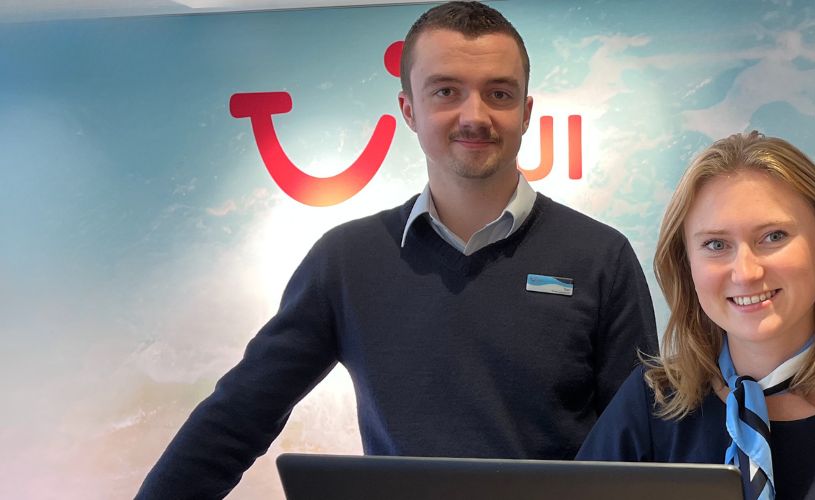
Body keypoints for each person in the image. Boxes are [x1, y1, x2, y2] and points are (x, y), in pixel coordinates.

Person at [138, 2, 657, 497]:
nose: (474, 115)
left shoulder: (600, 257)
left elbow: (643, 445)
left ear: (525, 112)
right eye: (446, 91)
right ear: (409, 109)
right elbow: (237, 417)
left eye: (498, 94)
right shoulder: (347, 261)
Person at [577, 132, 815, 500]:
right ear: (686, 265)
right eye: (716, 244)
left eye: (774, 236)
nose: (746, 272)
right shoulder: (651, 404)